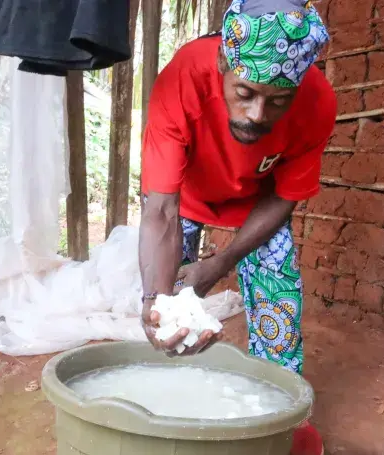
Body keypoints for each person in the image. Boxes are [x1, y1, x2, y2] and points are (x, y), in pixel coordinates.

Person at [138, 1, 335, 454]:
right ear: (224, 63)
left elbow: (285, 196)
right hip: (182, 198)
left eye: (278, 101)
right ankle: (176, 415)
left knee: (279, 305)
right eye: (244, 93)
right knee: (168, 316)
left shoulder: (319, 103)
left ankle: (284, 424)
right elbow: (160, 209)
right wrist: (153, 298)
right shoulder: (184, 76)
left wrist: (222, 261)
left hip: (257, 206)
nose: (257, 115)